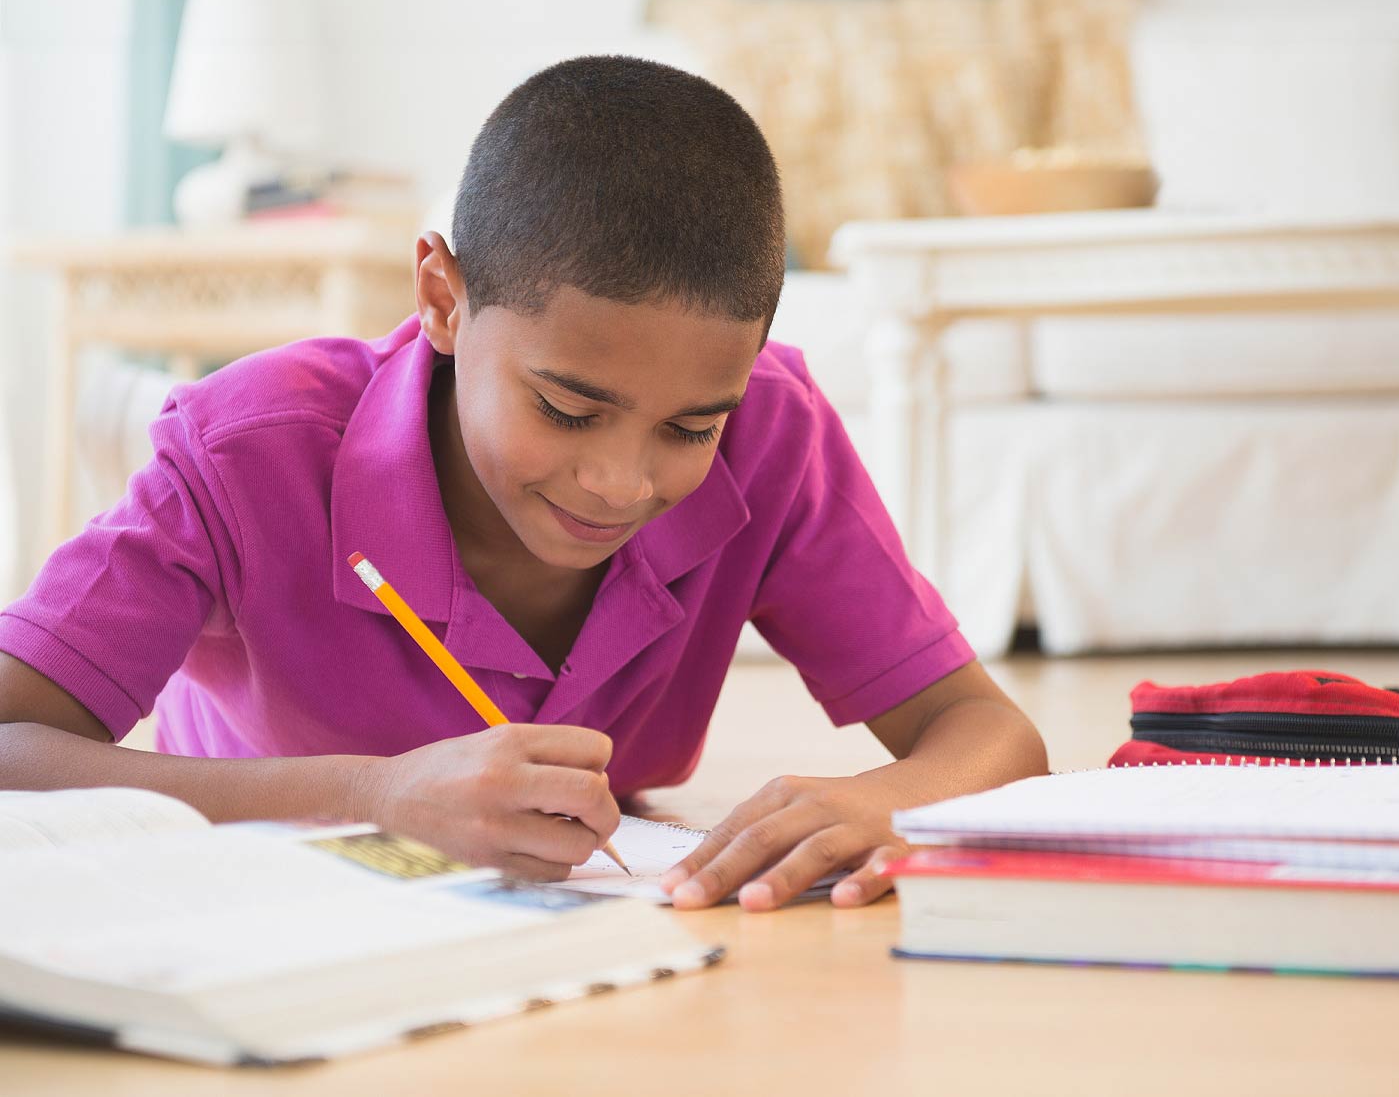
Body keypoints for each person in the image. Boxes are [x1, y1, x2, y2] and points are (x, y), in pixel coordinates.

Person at [0, 56, 1046, 911]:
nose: (619, 481)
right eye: (566, 407)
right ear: (442, 298)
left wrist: (893, 800)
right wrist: (370, 794)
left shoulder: (770, 431)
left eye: (690, 426)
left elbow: (989, 731)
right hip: (265, 919)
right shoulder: (246, 451)